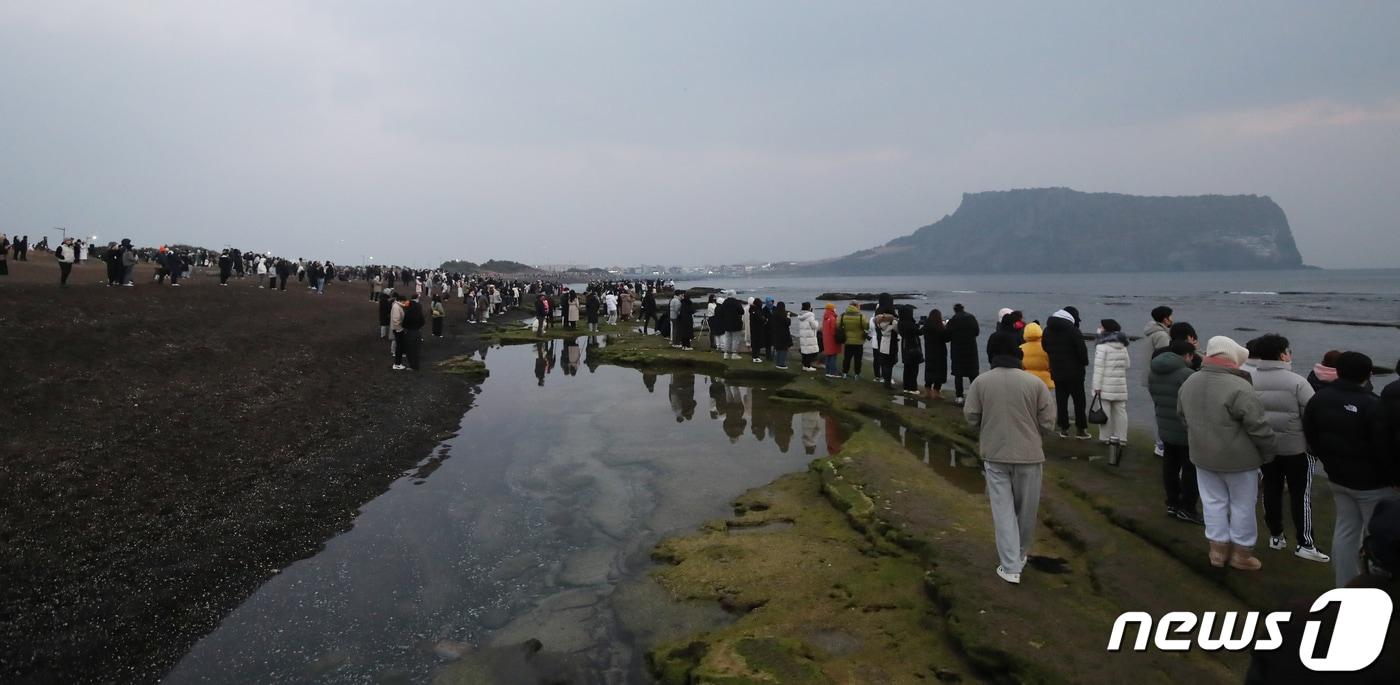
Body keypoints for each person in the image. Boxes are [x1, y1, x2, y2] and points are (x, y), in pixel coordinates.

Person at [1245, 495, 1400, 684]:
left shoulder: (1293, 618)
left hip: (1345, 480)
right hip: (1362, 482)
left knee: (1346, 526)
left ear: (1365, 556)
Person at [1177, 336, 1275, 570]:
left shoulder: (1190, 381)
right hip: (1239, 459)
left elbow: (1182, 417)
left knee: (1212, 502)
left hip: (1202, 455)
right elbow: (1258, 426)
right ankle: (1241, 554)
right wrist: (1269, 452)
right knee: (1242, 504)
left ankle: (1217, 552)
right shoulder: (1240, 386)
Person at [964, 334, 1055, 585]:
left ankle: (1010, 565)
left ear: (992, 355)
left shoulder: (981, 382)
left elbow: (971, 417)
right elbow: (1048, 421)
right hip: (1030, 454)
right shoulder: (1035, 383)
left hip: (995, 453)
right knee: (1026, 511)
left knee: (1002, 511)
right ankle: (1020, 555)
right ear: (1019, 355)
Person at [1305, 351, 1393, 586]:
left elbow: (1311, 436)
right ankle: (1374, 588)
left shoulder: (1319, 398)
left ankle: (1344, 585)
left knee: (1346, 530)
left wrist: (1329, 462)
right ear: (1368, 374)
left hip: (1338, 477)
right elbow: (1383, 447)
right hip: (1373, 484)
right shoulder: (1373, 404)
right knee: (1376, 535)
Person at [1250, 334, 1329, 563]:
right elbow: (1313, 418)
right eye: (1288, 350)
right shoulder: (1297, 382)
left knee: (1270, 490)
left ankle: (1276, 537)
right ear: (1282, 354)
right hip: (1296, 449)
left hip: (1265, 448)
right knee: (1300, 496)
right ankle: (1305, 543)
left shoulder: (1248, 379)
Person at [1149, 340, 1201, 523]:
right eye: (1191, 356)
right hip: (1185, 429)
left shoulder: (1154, 370)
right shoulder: (1187, 374)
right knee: (1190, 469)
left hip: (1164, 425)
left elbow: (1154, 395)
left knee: (1170, 466)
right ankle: (1187, 507)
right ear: (1186, 355)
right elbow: (1197, 401)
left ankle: (1172, 503)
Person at [1043, 307, 1091, 439]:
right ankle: (1081, 430)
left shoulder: (1047, 330)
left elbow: (1045, 347)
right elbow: (1082, 351)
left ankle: (1063, 429)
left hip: (1057, 371)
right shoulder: (1073, 331)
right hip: (1075, 372)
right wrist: (1085, 363)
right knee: (1079, 401)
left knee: (1061, 401)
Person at [1091, 319, 1131, 446]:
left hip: (1104, 385)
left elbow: (1098, 368)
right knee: (1121, 411)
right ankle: (1122, 438)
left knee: (1105, 411)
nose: (1099, 328)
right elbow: (1127, 365)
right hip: (1120, 384)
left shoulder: (1101, 346)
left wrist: (1096, 386)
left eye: (1101, 327)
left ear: (1105, 329)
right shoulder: (1122, 346)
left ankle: (1105, 437)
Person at [945, 303, 980, 406]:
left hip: (958, 349)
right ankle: (976, 397)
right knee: (973, 374)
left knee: (958, 374)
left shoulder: (953, 320)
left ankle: (959, 397)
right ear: (963, 309)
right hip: (971, 349)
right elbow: (977, 332)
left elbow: (947, 335)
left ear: (954, 310)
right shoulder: (971, 318)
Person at [922, 308, 947, 399]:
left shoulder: (926, 326)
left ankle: (927, 392)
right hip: (940, 353)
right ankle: (936, 393)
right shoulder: (940, 328)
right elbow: (946, 338)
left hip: (929, 352)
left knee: (929, 372)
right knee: (939, 373)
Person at [1019, 322, 1052, 389]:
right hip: (1046, 380)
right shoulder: (1047, 346)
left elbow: (1020, 365)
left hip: (1027, 379)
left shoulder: (1021, 348)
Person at [839, 303, 868, 379]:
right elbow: (867, 326)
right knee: (858, 359)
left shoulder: (843, 315)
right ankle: (856, 374)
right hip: (859, 341)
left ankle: (845, 373)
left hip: (848, 340)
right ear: (856, 306)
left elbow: (837, 324)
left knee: (847, 358)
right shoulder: (861, 316)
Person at [897, 307, 922, 392]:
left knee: (907, 368)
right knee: (914, 368)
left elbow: (912, 330)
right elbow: (918, 332)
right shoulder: (910, 323)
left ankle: (906, 387)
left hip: (905, 346)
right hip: (913, 346)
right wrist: (922, 325)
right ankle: (913, 388)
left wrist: (917, 325)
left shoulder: (900, 323)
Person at [794, 302, 820, 371]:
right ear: (809, 307)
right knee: (811, 352)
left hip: (803, 336)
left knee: (805, 352)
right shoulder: (810, 316)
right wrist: (817, 322)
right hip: (809, 336)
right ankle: (808, 366)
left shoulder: (801, 315)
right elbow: (814, 326)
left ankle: (805, 365)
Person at [821, 303, 842, 377]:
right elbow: (833, 331)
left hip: (826, 339)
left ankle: (827, 371)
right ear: (832, 309)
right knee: (833, 355)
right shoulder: (832, 318)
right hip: (832, 340)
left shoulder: (825, 317)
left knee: (828, 355)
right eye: (834, 308)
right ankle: (832, 372)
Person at [770, 302, 792, 370]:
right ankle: (781, 364)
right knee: (783, 349)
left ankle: (778, 363)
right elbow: (788, 323)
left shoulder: (774, 314)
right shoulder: (783, 315)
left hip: (776, 334)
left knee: (778, 349)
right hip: (784, 334)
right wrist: (788, 316)